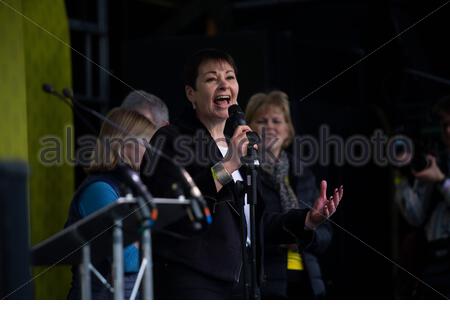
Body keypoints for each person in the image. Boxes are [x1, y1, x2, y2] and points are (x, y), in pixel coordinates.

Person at [141, 48, 343, 299]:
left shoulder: (236, 145)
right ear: (190, 93)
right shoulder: (172, 139)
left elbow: (258, 224)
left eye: (230, 77)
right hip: (193, 280)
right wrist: (229, 165)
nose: (224, 84)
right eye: (212, 78)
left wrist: (307, 221)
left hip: (244, 283)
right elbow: (176, 204)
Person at [245, 90, 334, 299]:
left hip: (308, 282)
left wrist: (305, 235)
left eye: (277, 121)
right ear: (249, 129)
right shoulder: (245, 172)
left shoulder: (303, 173)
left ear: (288, 130)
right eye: (261, 121)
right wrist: (288, 230)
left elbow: (326, 235)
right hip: (265, 284)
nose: (269, 127)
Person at [65, 108, 156, 299]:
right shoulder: (100, 189)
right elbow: (126, 260)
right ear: (121, 144)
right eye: (146, 141)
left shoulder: (133, 188)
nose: (152, 149)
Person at [395, 95, 450, 298]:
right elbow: (414, 216)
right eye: (445, 125)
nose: (448, 131)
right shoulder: (436, 162)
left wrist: (442, 181)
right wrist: (400, 176)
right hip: (433, 259)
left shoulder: (438, 171)